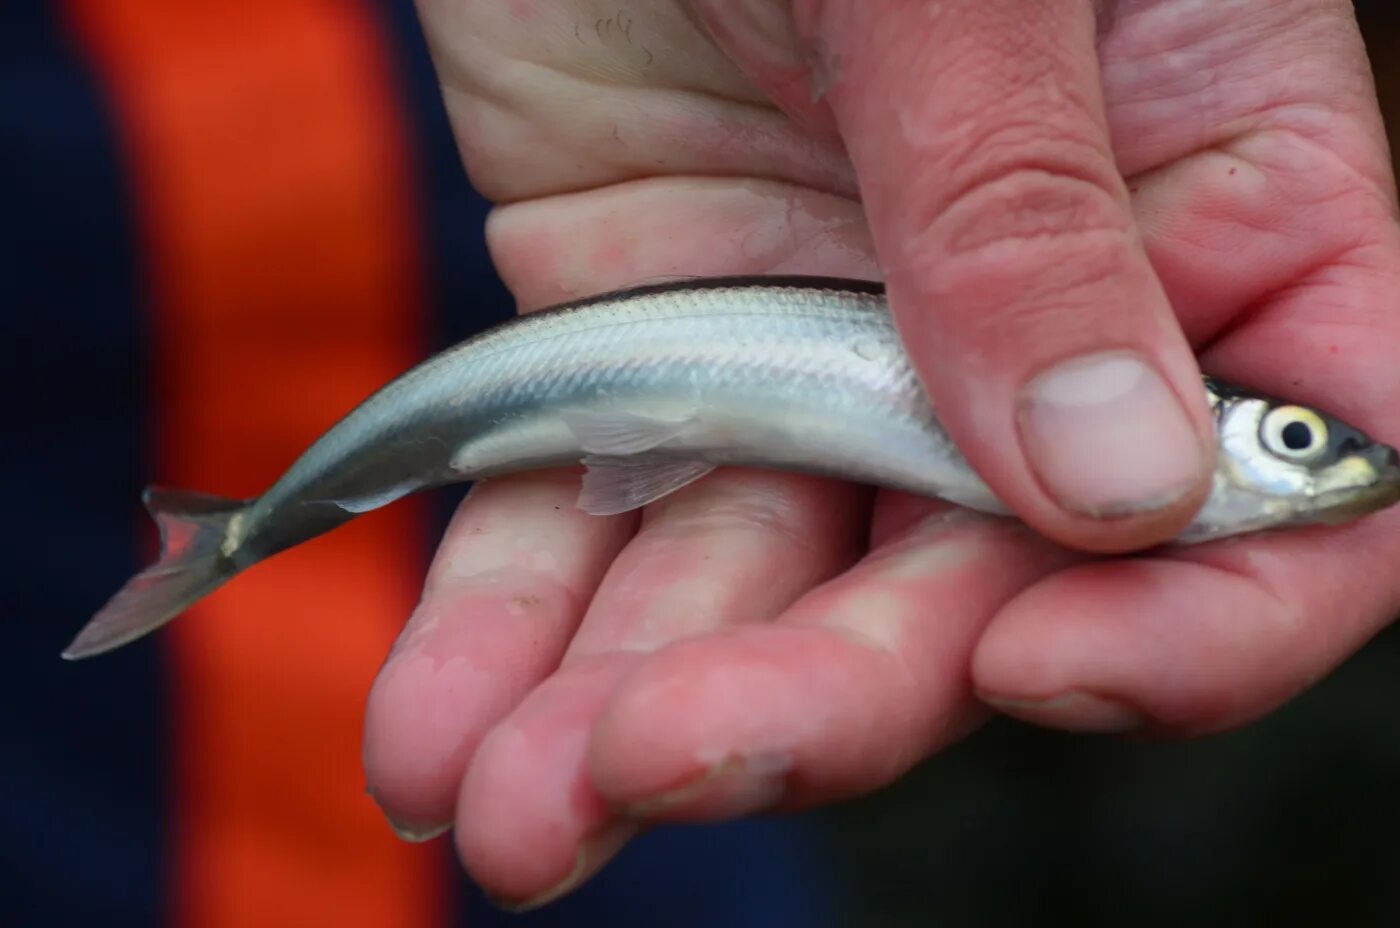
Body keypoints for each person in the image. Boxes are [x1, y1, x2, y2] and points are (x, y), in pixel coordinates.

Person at [362, 0, 1400, 910]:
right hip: (440, 142)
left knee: (637, 759)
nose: (1333, 467)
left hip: (482, 142)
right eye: (1294, 440)